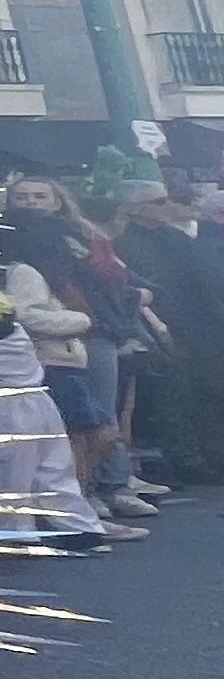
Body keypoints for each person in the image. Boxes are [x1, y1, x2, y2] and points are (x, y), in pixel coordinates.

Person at [0, 174, 136, 524]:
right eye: (23, 196)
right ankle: (81, 504)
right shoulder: (19, 256)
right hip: (57, 350)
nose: (30, 203)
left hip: (89, 341)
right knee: (80, 429)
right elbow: (28, 312)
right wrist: (81, 320)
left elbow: (112, 283)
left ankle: (99, 492)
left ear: (58, 201)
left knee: (99, 422)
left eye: (39, 195)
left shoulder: (80, 240)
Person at [0, 285, 113, 545]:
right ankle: (81, 527)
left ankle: (15, 531)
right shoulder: (20, 336)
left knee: (6, 475)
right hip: (41, 404)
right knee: (55, 470)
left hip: (2, 409)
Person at [113, 176, 220, 492]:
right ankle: (187, 460)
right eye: (159, 201)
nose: (168, 205)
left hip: (195, 324)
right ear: (136, 208)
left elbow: (202, 283)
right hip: (157, 324)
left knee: (205, 391)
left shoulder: (176, 238)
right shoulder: (124, 242)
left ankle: (206, 456)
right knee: (175, 392)